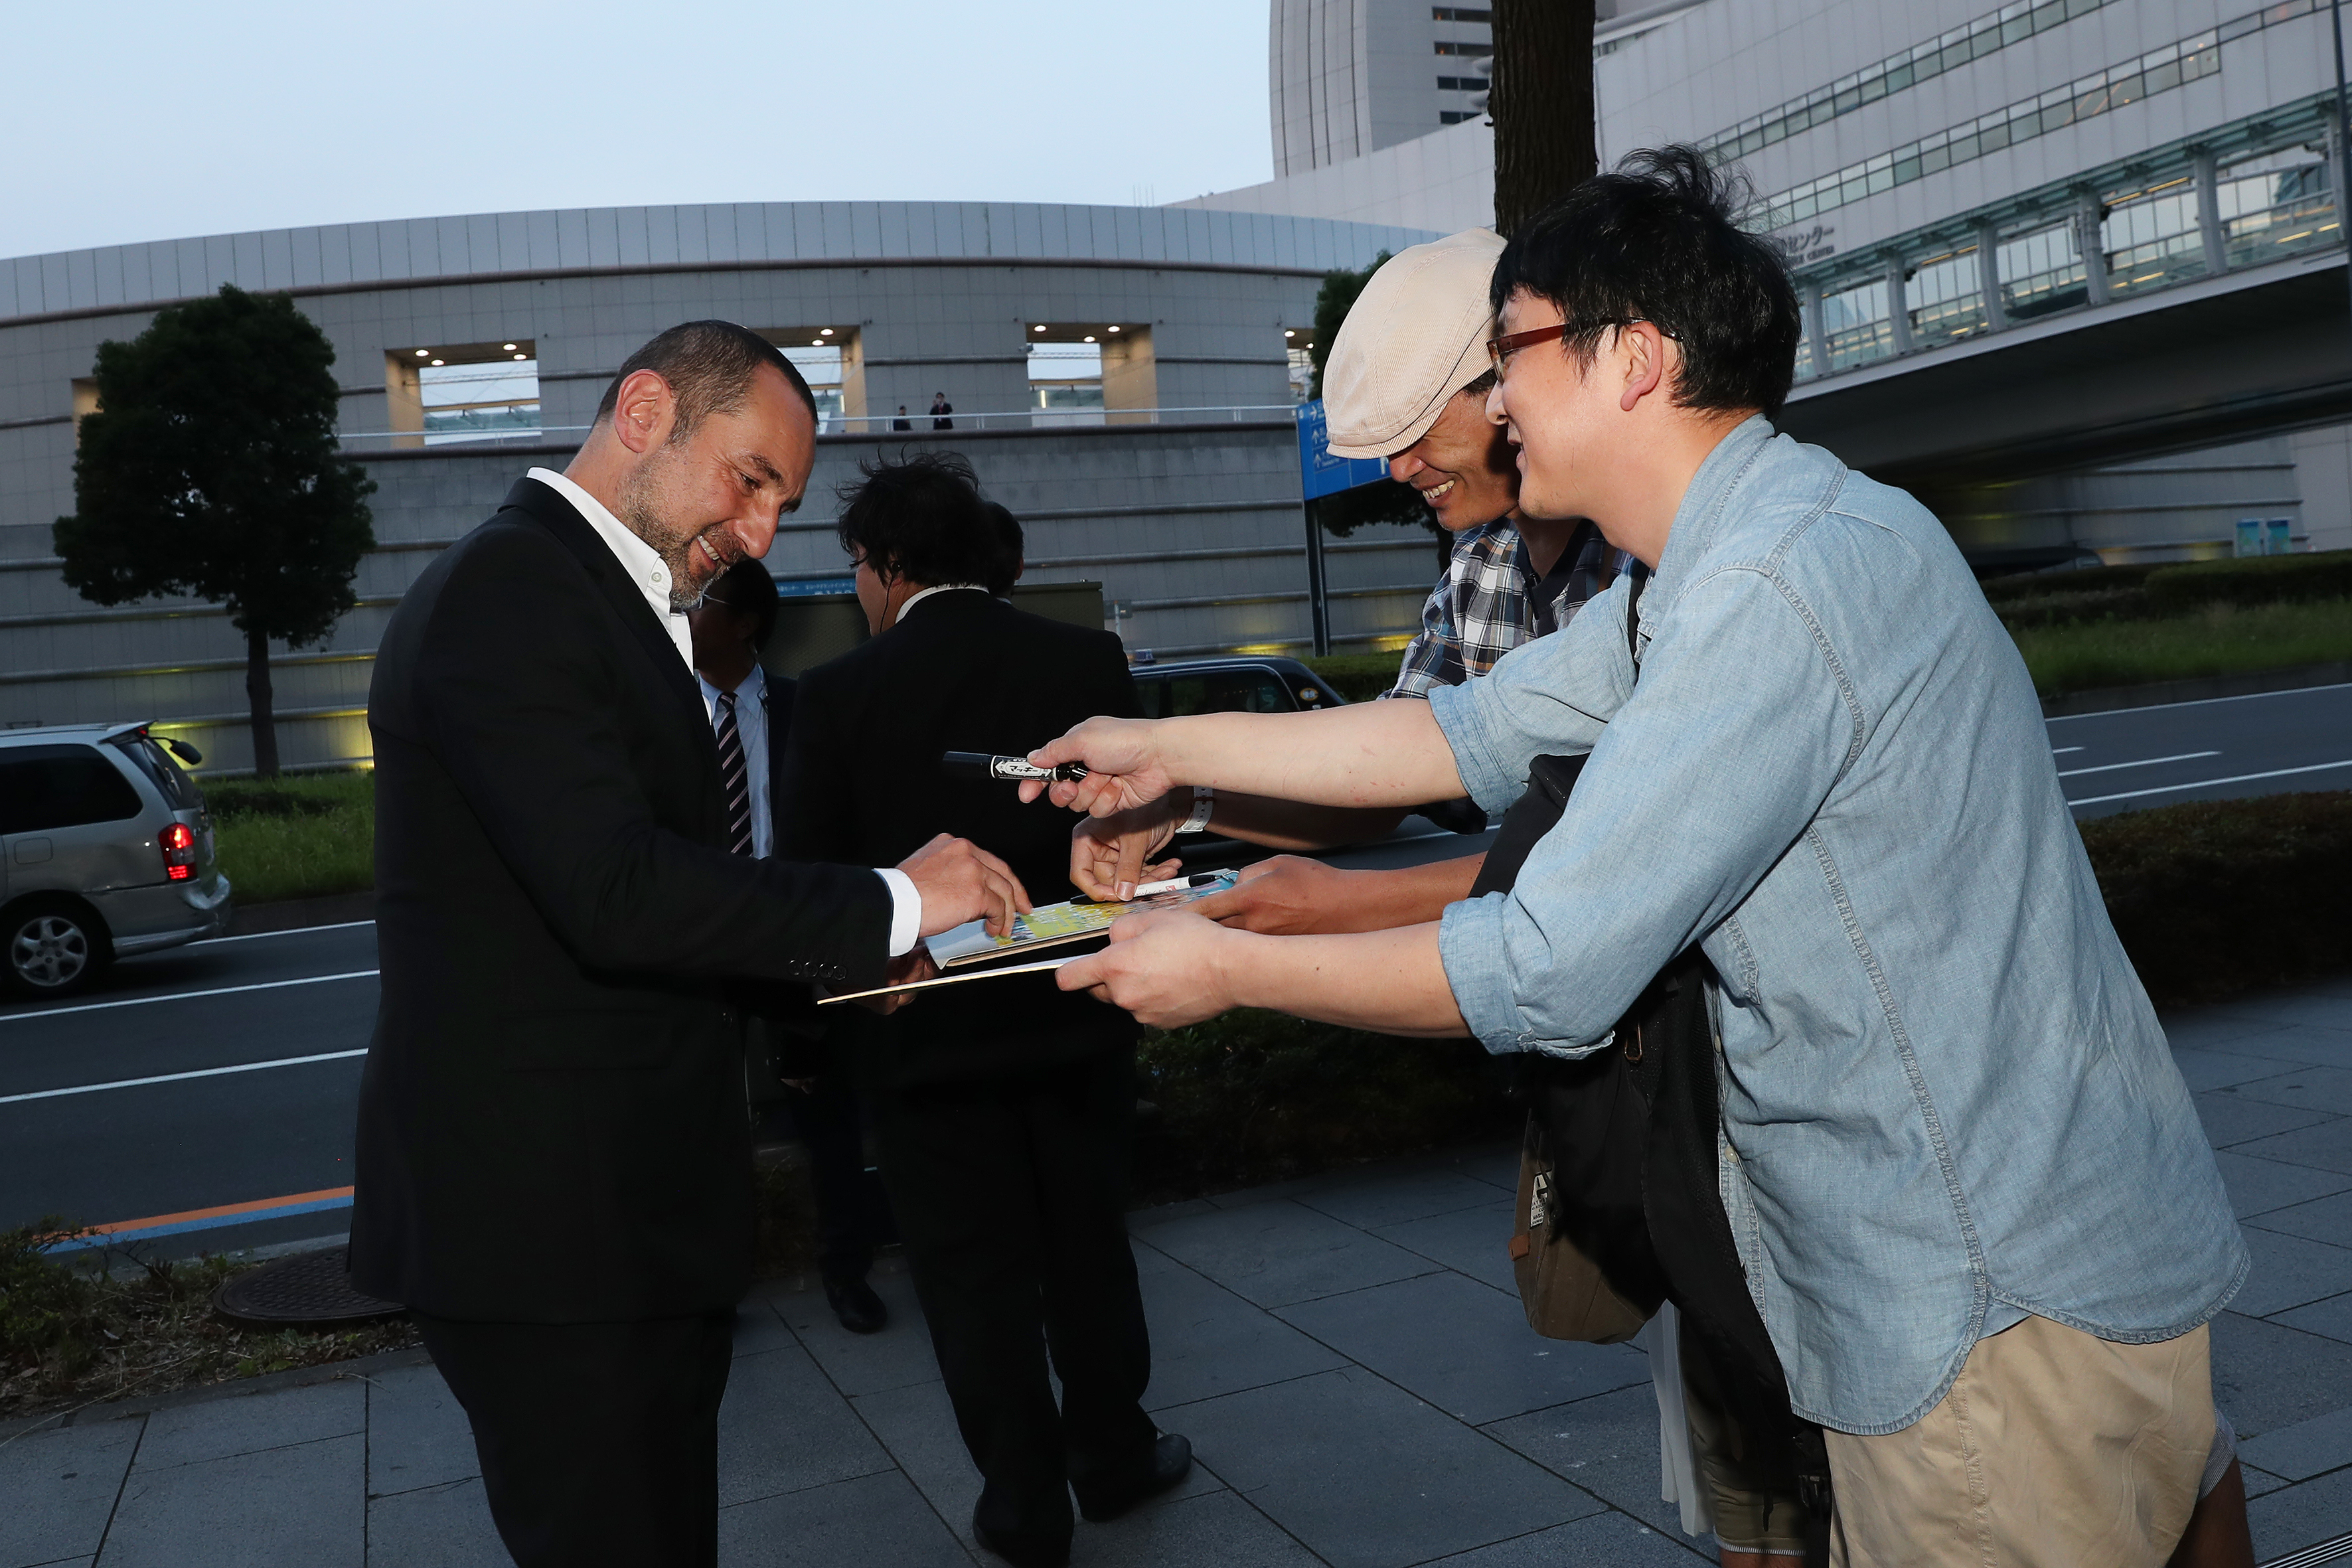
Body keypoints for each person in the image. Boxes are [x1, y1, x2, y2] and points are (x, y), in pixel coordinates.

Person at [1028, 151, 2246, 1567]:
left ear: (1633, 359)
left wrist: (1225, 964)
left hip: (1979, 1297)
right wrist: (1165, 745)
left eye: (1510, 353)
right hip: (2050, 1250)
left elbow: (1545, 961)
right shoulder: (1770, 544)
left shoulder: (1767, 593)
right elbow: (1461, 734)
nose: (1491, 402)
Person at [353, 320, 1030, 1568]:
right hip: (548, 1235)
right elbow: (614, 889)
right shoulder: (512, 588)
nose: (764, 531)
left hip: (614, 1218)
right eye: (752, 478)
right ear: (647, 411)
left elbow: (629, 914)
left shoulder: (595, 595)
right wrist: (891, 899)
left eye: (785, 499)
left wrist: (845, 974)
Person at [776, 453, 1186, 1568]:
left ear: (887, 564)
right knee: (1089, 1249)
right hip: (1078, 1015)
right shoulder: (1083, 658)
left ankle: (1023, 1506)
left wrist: (806, 1046)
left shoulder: (835, 695)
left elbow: (811, 887)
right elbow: (1138, 839)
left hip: (921, 1045)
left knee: (970, 1280)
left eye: (856, 565)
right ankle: (1111, 1455)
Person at [1062, 228, 1626, 908]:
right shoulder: (1482, 561)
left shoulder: (1639, 556)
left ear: (1507, 385)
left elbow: (1616, 856)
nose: (1399, 468)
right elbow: (1390, 772)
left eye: (1418, 430)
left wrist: (1329, 908)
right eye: (1387, 445)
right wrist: (1178, 798)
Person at [686, 556, 891, 1337]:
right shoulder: (667, 714)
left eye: (702, 603)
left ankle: (848, 1271)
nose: (687, 615)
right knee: (701, 1117)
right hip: (701, 939)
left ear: (745, 623)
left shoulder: (806, 710)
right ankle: (712, 1288)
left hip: (795, 938)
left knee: (828, 1113)